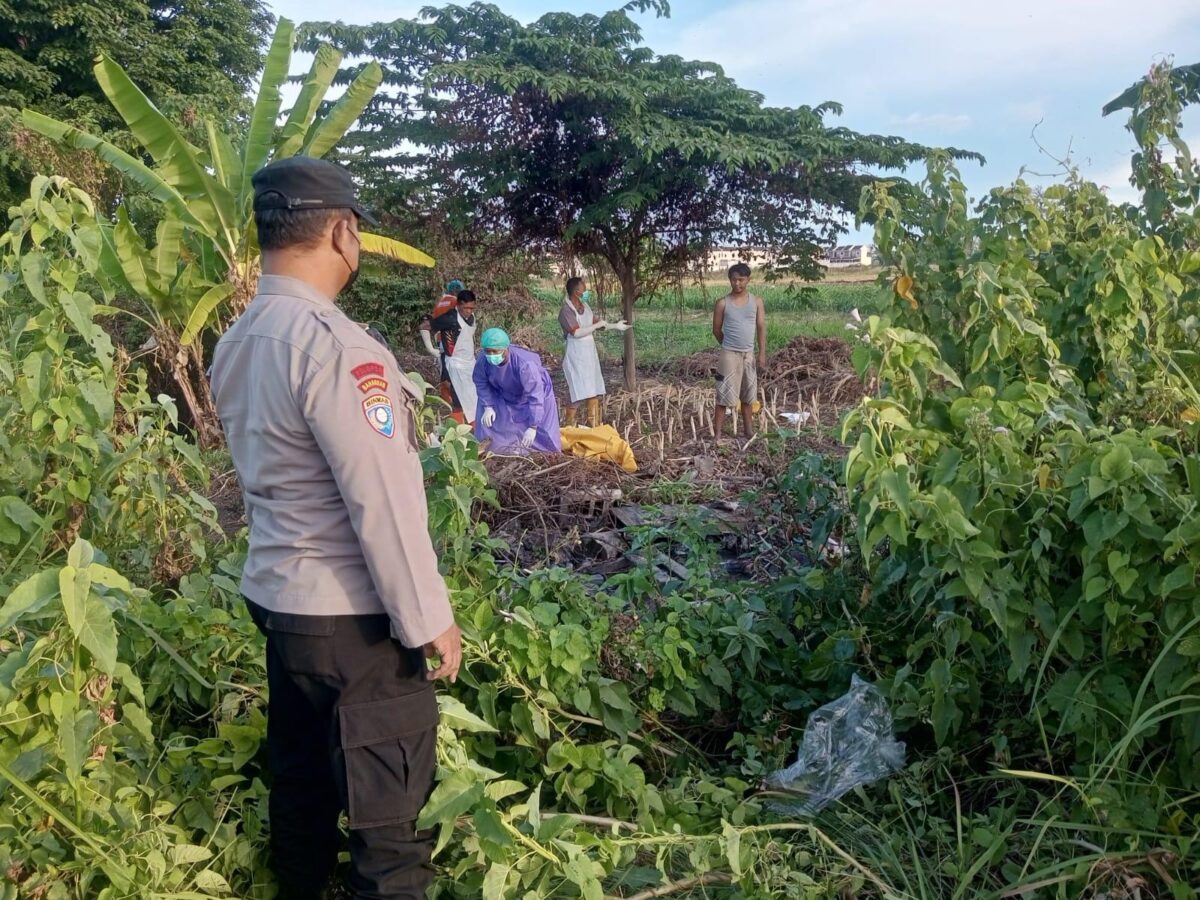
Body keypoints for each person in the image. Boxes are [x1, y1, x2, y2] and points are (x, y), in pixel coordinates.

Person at [210, 156, 461, 900]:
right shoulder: (338, 347)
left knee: (302, 801)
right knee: (390, 838)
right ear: (343, 233)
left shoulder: (237, 340)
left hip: (283, 610)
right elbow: (380, 498)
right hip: (355, 625)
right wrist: (428, 618)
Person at [472, 327, 562, 454]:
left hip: (535, 392)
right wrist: (488, 406)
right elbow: (481, 382)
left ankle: (545, 453)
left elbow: (535, 396)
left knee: (543, 431)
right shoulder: (483, 360)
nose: (491, 355)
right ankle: (500, 450)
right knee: (494, 422)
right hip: (503, 390)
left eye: (495, 351)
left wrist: (533, 426)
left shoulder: (525, 364)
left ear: (505, 349)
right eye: (488, 351)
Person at [558, 276, 628, 427]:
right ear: (576, 292)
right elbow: (576, 332)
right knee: (577, 391)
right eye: (584, 289)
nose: (586, 291)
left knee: (593, 388)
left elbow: (598, 324)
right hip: (576, 354)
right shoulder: (566, 311)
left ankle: (594, 425)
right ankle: (570, 427)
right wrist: (595, 326)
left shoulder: (585, 306)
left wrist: (615, 326)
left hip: (589, 354)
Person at [712, 262, 767, 438]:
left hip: (749, 355)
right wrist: (728, 346)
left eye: (741, 280)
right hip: (728, 355)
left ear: (748, 280)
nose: (737, 283)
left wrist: (761, 353)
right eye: (734, 280)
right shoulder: (722, 303)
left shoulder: (756, 302)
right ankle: (717, 434)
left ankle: (748, 431)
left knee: (748, 395)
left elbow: (761, 327)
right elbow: (716, 330)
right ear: (729, 280)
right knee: (723, 394)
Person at [419, 289, 479, 424]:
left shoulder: (471, 317)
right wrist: (430, 348)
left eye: (472, 308)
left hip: (469, 363)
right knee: (458, 399)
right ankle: (458, 428)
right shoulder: (449, 318)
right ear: (459, 305)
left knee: (473, 397)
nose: (469, 311)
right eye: (466, 308)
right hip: (455, 365)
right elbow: (424, 326)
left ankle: (476, 427)